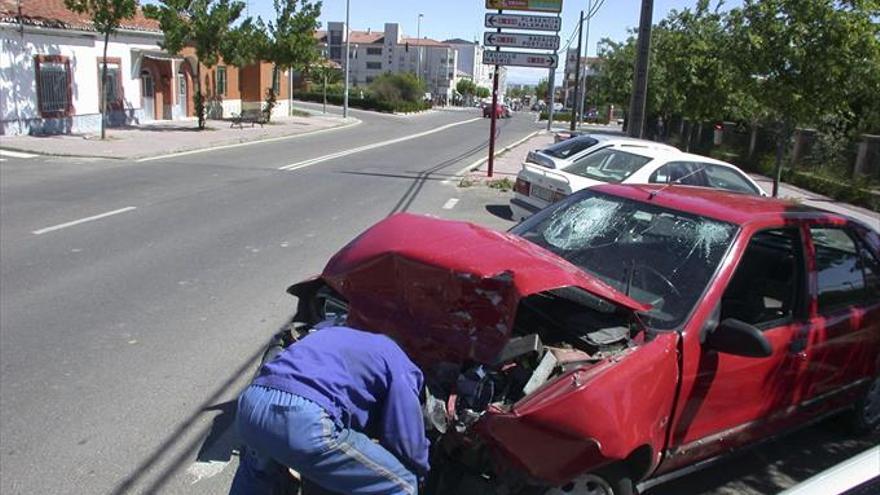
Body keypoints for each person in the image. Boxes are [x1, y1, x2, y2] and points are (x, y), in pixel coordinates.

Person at [230, 326, 430, 495]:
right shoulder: (397, 358)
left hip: (251, 404)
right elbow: (405, 437)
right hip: (303, 418)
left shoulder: (333, 333)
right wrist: (422, 471)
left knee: (259, 476)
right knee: (402, 484)